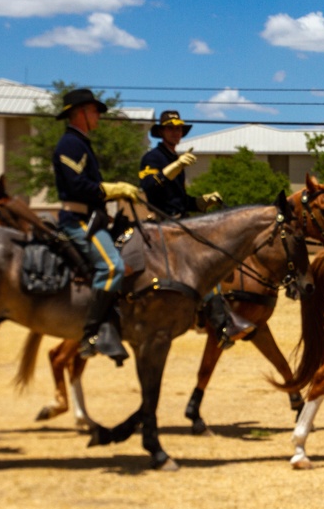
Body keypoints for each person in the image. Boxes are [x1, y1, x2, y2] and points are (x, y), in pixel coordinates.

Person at [137, 110, 252, 349]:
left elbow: (180, 200)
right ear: (161, 132)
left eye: (178, 128)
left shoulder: (174, 157)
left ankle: (208, 312)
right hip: (163, 225)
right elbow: (148, 187)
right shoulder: (153, 157)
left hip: (181, 221)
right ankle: (221, 324)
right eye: (170, 128)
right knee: (203, 263)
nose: (175, 132)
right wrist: (176, 166)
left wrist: (201, 201)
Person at [53, 88, 140, 363]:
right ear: (80, 113)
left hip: (92, 218)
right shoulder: (69, 144)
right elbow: (78, 186)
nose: (98, 117)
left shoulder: (81, 143)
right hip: (77, 222)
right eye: (94, 112)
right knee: (111, 266)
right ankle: (90, 334)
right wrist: (113, 189)